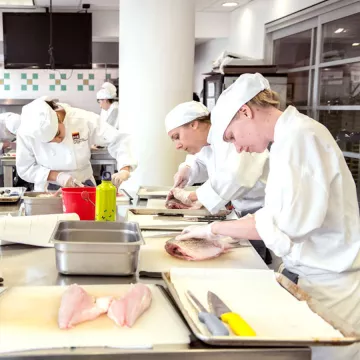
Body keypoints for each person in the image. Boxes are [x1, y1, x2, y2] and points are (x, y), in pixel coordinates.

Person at [177, 73, 360, 360]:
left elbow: (285, 224)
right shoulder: (289, 137)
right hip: (314, 274)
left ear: (246, 112)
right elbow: (280, 213)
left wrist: (214, 230)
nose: (237, 147)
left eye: (232, 137)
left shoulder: (300, 137)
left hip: (333, 283)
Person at [165, 101, 271, 263]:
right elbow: (199, 161)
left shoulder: (231, 137)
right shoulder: (207, 142)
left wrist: (193, 196)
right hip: (241, 214)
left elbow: (235, 178)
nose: (178, 145)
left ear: (194, 124)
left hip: (260, 213)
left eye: (177, 137)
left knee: (251, 266)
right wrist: (186, 169)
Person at [16, 97, 137, 192]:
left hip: (84, 185)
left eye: (57, 133)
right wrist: (58, 177)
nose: (57, 140)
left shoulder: (82, 118)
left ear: (58, 117)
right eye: (49, 141)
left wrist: (124, 169)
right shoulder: (26, 131)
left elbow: (118, 139)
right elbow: (25, 168)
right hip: (49, 190)